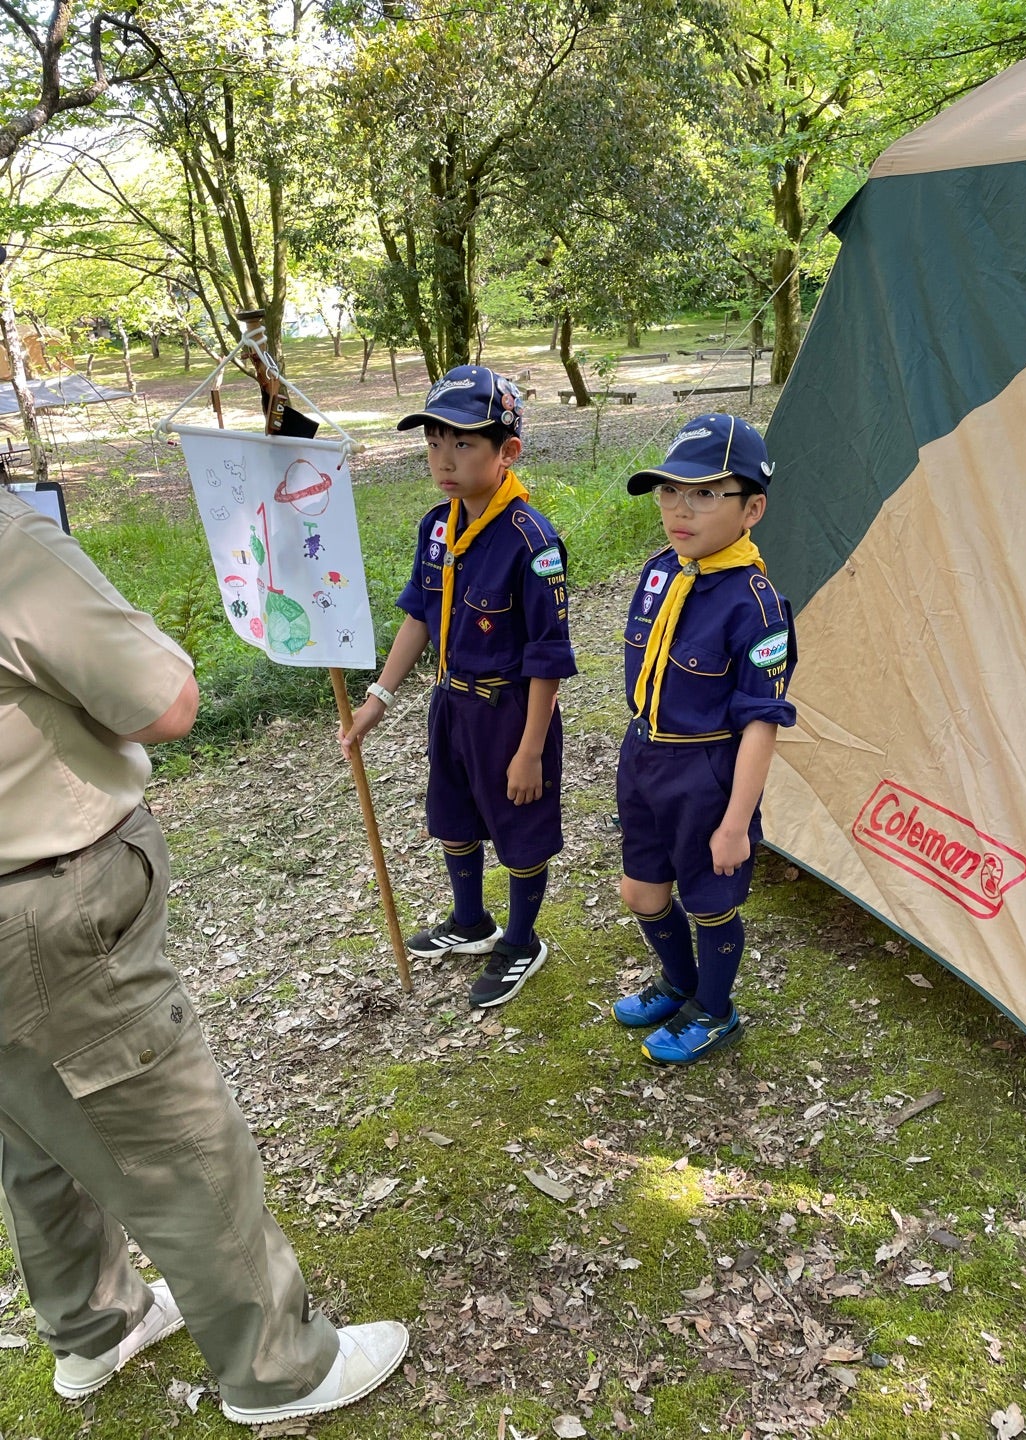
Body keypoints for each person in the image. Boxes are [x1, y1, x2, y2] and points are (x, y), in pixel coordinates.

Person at [0, 488, 407, 1424]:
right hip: (45, 902)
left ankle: (93, 1325)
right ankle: (282, 1366)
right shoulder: (13, 547)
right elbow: (166, 699)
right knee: (174, 1135)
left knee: (33, 1128)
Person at [339, 366, 576, 1008]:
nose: (444, 459)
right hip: (451, 701)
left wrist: (529, 749)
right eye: (435, 442)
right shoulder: (436, 527)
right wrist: (378, 699)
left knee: (520, 829)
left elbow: (547, 658)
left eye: (464, 444)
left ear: (509, 453)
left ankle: (522, 940)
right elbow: (421, 613)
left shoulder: (533, 541)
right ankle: (470, 922)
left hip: (510, 710)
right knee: (454, 816)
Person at [610, 414, 797, 1065]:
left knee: (708, 902)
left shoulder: (757, 604)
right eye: (669, 491)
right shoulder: (662, 570)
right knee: (642, 891)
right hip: (645, 758)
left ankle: (715, 1011)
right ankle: (679, 982)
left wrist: (735, 823)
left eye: (705, 493)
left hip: (707, 773)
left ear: (753, 508)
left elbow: (761, 722)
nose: (679, 509)